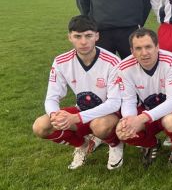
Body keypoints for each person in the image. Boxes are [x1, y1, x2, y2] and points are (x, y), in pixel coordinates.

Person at [32, 15, 124, 170]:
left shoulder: (113, 61)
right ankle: (83, 144)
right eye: (77, 36)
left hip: (108, 115)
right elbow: (52, 98)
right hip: (82, 111)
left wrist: (75, 117)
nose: (83, 42)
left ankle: (115, 145)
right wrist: (55, 115)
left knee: (99, 126)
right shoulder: (61, 62)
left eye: (88, 36)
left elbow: (115, 103)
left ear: (97, 36)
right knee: (40, 126)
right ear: (70, 37)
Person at [116, 28, 172, 166]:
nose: (144, 53)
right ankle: (151, 144)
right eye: (138, 48)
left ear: (157, 47)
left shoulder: (171, 61)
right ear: (132, 51)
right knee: (121, 130)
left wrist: (140, 119)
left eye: (148, 47)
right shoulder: (123, 67)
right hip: (147, 108)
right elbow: (128, 100)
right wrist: (129, 120)